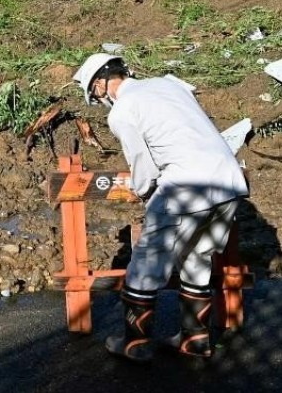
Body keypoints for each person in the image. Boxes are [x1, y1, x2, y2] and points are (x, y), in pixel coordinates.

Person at [72, 53, 249, 362]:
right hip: (228, 182)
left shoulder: (122, 110)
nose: (99, 100)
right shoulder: (169, 85)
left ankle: (135, 344)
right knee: (197, 260)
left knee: (144, 267)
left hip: (184, 186)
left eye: (95, 93)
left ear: (100, 84)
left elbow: (142, 164)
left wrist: (145, 193)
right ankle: (195, 340)